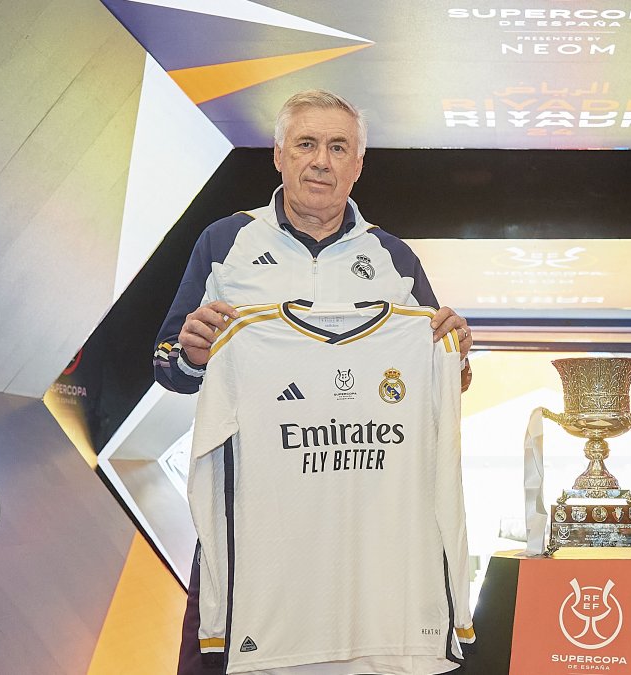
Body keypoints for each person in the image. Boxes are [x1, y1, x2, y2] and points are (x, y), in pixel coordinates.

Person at [152, 89, 473, 675]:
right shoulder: (225, 244)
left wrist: (457, 357)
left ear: (358, 165)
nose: (320, 161)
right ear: (278, 154)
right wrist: (192, 354)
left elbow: (434, 384)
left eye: (337, 147)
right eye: (305, 144)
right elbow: (169, 363)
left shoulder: (392, 257)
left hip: (365, 529)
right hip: (255, 522)